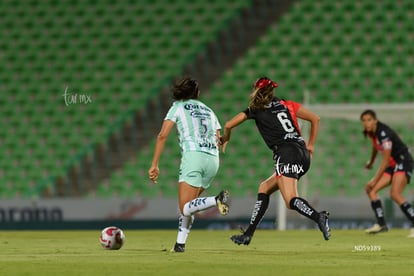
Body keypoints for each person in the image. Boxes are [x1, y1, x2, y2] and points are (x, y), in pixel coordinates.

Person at [220, 76, 330, 245]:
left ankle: (318, 217)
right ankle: (248, 234)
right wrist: (312, 145)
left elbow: (228, 124)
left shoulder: (254, 109)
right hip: (302, 154)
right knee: (264, 187)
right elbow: (316, 119)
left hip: (285, 153)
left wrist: (225, 138)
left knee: (290, 201)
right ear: (272, 91)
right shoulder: (287, 104)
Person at [148, 76, 230, 252]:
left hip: (194, 157)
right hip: (213, 160)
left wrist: (155, 164)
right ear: (198, 93)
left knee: (185, 207)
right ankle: (180, 244)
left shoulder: (177, 107)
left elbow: (162, 135)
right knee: (190, 205)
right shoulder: (209, 111)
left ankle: (217, 199)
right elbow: (219, 139)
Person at [360, 109, 414, 237]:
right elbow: (375, 146)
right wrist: (371, 162)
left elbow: (384, 161)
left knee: (395, 194)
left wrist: (374, 180)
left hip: (403, 161)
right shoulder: (371, 133)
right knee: (371, 191)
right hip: (392, 165)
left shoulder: (384, 134)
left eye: (369, 120)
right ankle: (381, 224)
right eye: (364, 120)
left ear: (375, 120)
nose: (366, 123)